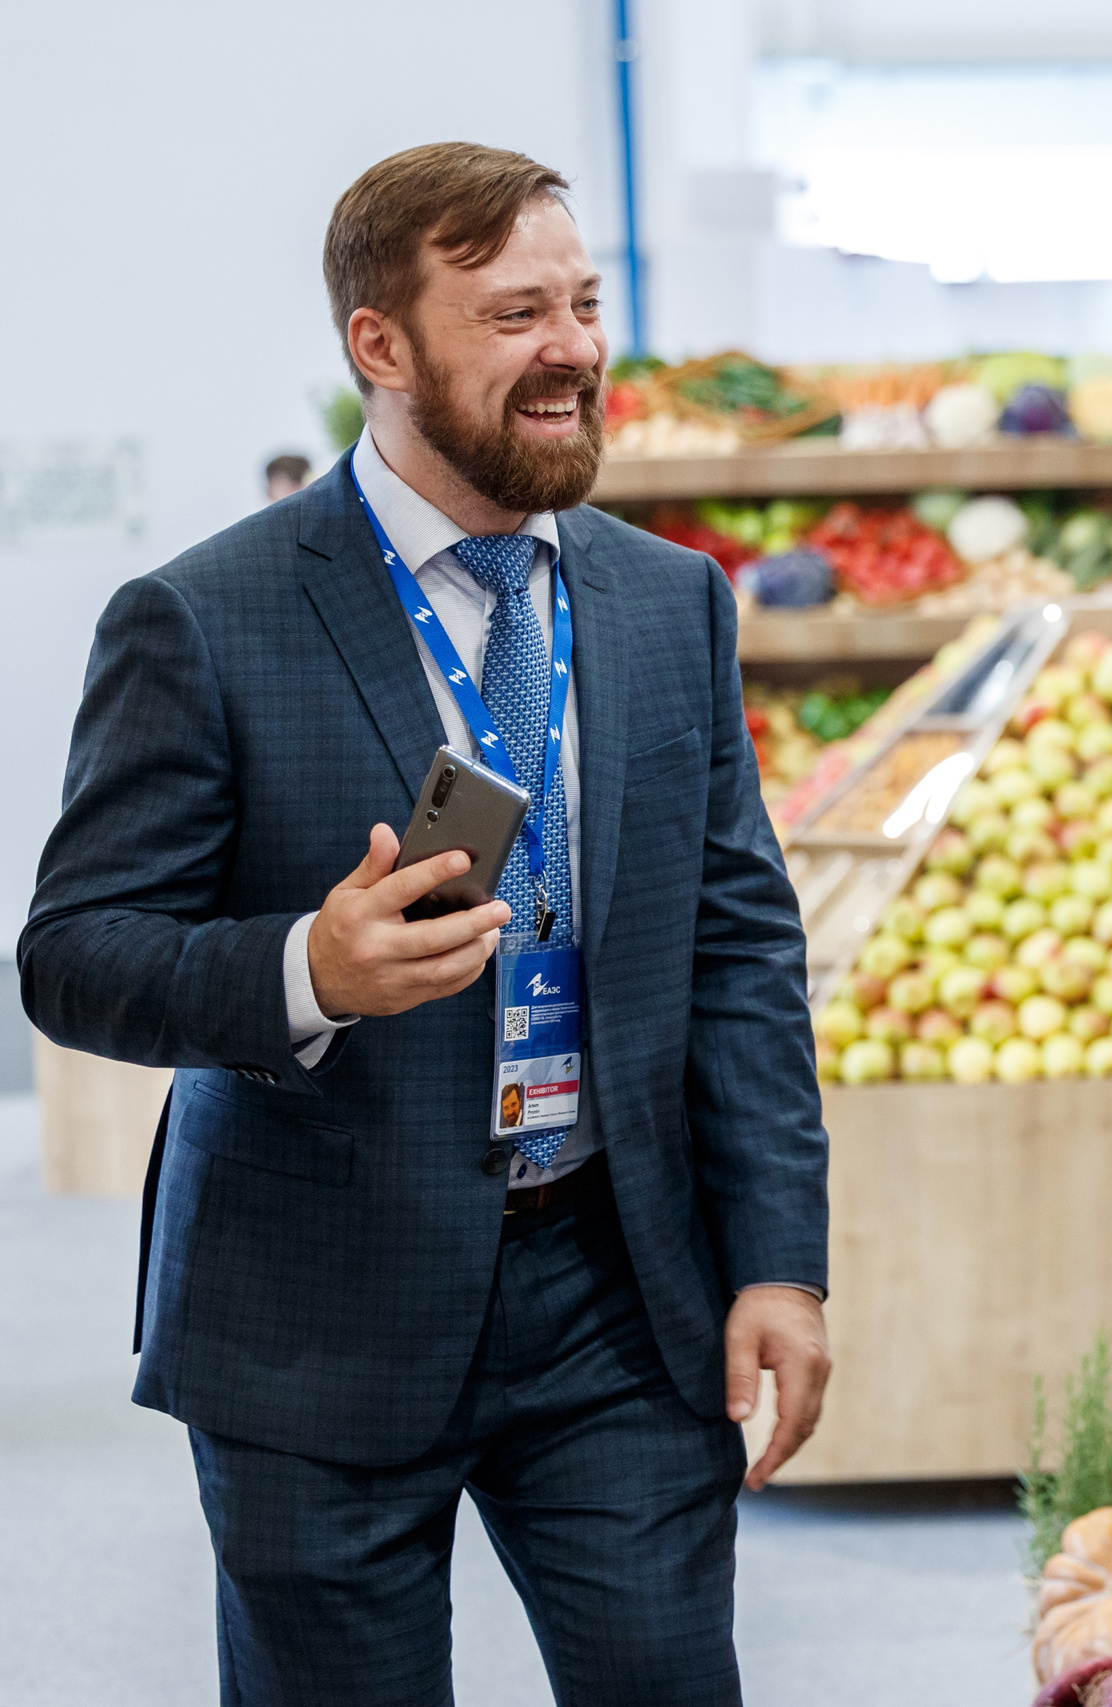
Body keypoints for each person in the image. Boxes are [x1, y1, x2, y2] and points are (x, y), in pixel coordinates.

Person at [20, 143, 831, 1707]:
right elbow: (72, 954)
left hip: (616, 1286)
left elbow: (741, 946)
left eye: (586, 304)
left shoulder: (671, 602)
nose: (576, 348)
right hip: (315, 1306)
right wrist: (300, 972)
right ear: (379, 347)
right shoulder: (204, 618)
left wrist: (781, 1264)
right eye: (517, 311)